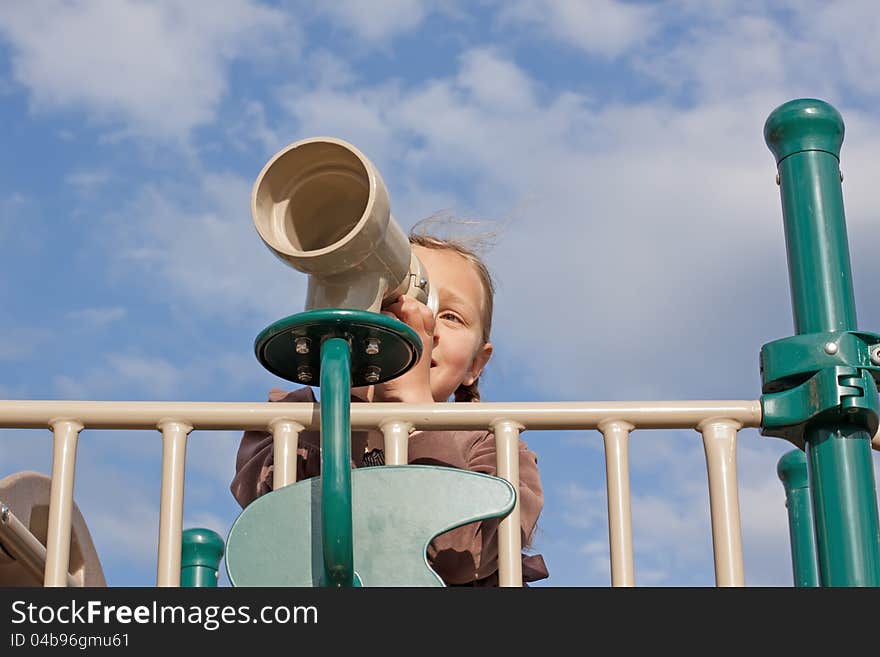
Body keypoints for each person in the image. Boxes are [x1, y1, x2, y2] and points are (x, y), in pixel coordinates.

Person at [230, 229, 548, 586]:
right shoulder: (292, 422)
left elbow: (458, 555)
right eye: (395, 304)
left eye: (451, 317)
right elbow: (272, 530)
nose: (422, 322)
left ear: (476, 365)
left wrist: (415, 415)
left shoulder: (501, 448)